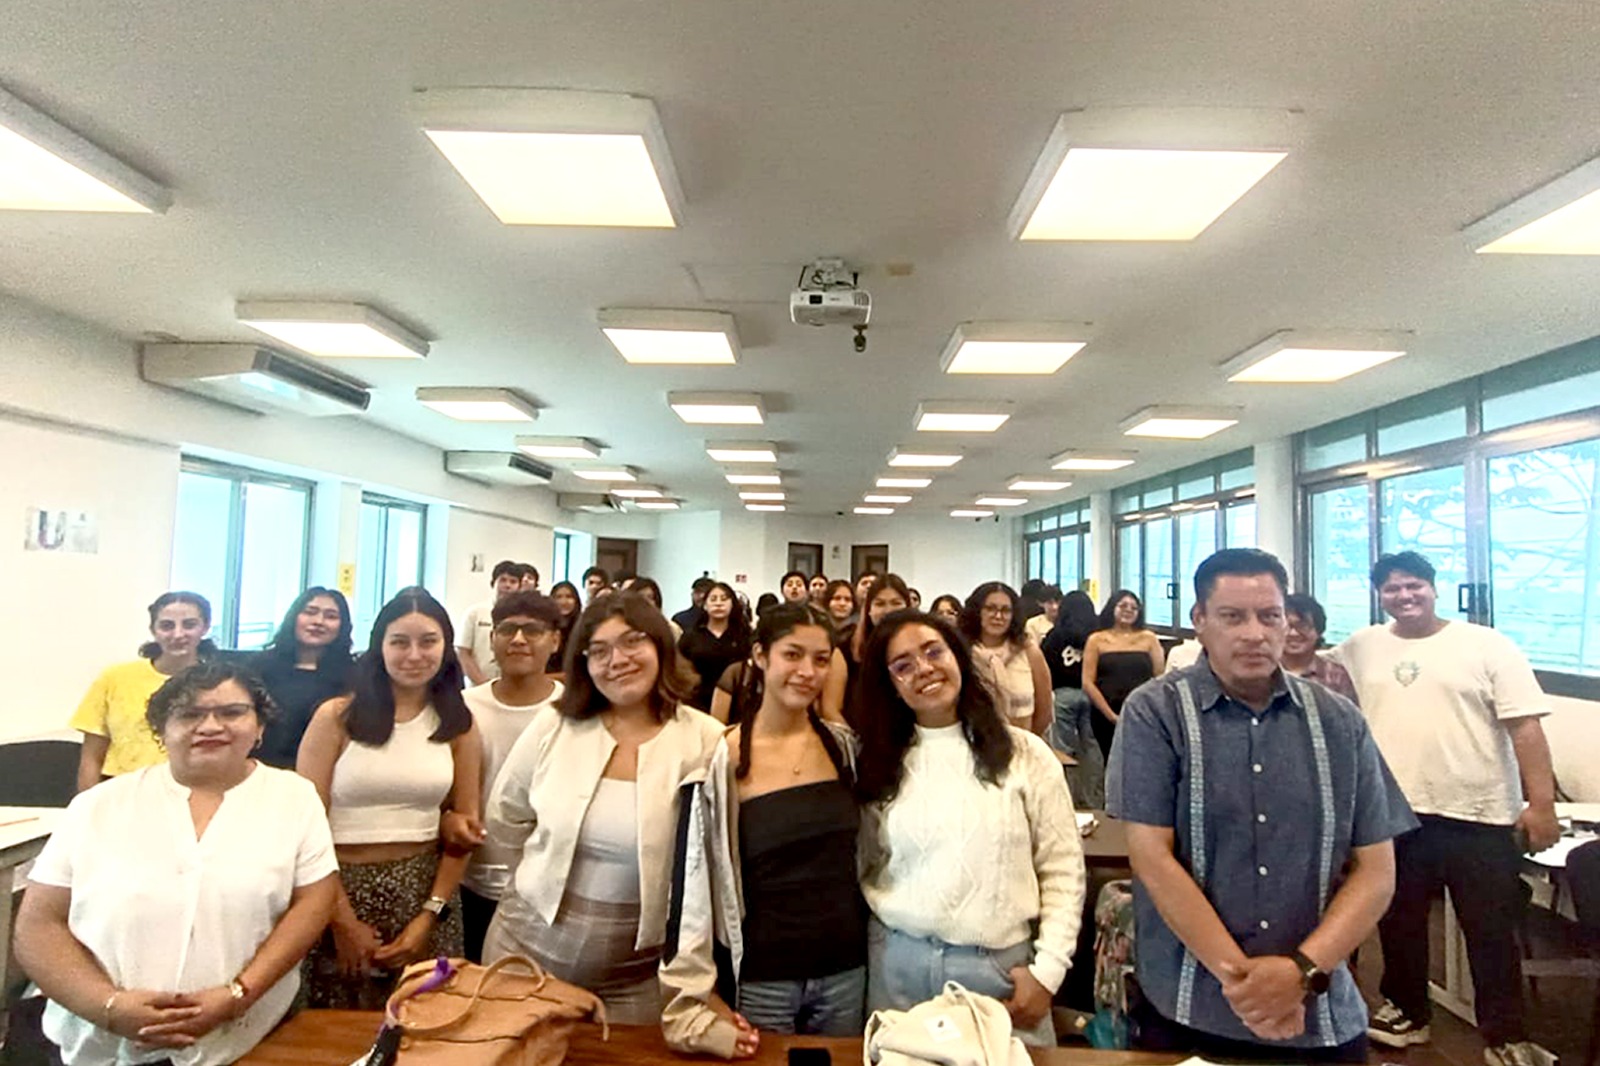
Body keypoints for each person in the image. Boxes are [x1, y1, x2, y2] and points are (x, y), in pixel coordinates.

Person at [1107, 548, 1416, 1062]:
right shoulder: (1156, 712)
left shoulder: (1338, 721)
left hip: (1318, 1011)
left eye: (1270, 616)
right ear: (1200, 620)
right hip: (1190, 1004)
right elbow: (1152, 858)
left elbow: (1377, 871)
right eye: (1233, 617)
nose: (1254, 633)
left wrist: (1300, 973)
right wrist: (1247, 986)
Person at [17, 661, 339, 1066]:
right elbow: (38, 925)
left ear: (259, 726)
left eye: (232, 712)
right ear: (161, 730)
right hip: (101, 1042)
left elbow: (313, 903)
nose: (210, 726)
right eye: (189, 714)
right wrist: (108, 1007)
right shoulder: (97, 806)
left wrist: (238, 995)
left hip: (245, 1038)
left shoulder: (294, 799)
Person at [1334, 552, 1559, 1066]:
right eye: (1392, 589)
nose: (1404, 596)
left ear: (1434, 588)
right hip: (1395, 813)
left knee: (1490, 930)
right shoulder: (1362, 645)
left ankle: (1505, 1034)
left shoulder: (1486, 645)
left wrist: (1541, 804)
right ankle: (1408, 1013)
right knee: (1398, 923)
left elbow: (1525, 726)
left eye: (1414, 585)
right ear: (1379, 595)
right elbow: (1312, 669)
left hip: (1480, 814)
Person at [483, 592, 724, 1024]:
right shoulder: (556, 722)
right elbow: (506, 816)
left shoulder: (705, 739)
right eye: (599, 651)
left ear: (660, 646)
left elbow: (711, 860)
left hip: (638, 974)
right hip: (524, 953)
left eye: (632, 642)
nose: (617, 660)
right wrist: (542, 872)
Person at [854, 612, 1085, 1047]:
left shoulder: (1025, 754)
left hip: (999, 973)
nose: (924, 669)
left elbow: (1063, 869)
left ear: (958, 657)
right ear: (890, 685)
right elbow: (866, 863)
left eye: (933, 652)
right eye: (903, 665)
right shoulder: (878, 763)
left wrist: (1048, 971)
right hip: (897, 970)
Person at [662, 603, 865, 1056]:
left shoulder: (845, 749)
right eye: (792, 655)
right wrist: (700, 989)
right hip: (763, 975)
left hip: (845, 969)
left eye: (820, 659)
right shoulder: (720, 761)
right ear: (760, 655)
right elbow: (692, 886)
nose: (807, 672)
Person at [296, 587, 480, 1009]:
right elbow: (305, 827)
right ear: (379, 646)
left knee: (425, 1022)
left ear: (446, 646)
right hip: (336, 890)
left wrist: (430, 915)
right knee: (335, 1025)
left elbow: (466, 829)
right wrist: (341, 920)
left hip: (425, 893)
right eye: (399, 642)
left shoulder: (458, 723)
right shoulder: (336, 717)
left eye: (428, 641)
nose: (414, 655)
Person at [459, 591, 565, 963]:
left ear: (555, 640)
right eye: (507, 630)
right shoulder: (465, 706)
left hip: (546, 887)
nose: (518, 639)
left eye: (532, 631)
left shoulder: (572, 711)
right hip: (471, 879)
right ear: (492, 639)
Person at [71, 591, 216, 791]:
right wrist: (87, 805)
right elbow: (91, 757)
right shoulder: (115, 678)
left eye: (189, 625)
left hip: (191, 789)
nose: (178, 634)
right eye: (167, 626)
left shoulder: (218, 682)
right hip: (119, 789)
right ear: (153, 630)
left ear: (205, 627)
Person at [252, 587, 355, 769]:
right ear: (294, 617)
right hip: (259, 766)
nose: (318, 622)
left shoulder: (354, 675)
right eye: (310, 612)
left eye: (331, 616)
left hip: (323, 768)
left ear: (343, 626)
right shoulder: (259, 666)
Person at [1040, 590, 1105, 808]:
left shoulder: (1054, 636)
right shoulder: (1097, 636)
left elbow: (1045, 666)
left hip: (1063, 696)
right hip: (1092, 696)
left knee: (1063, 750)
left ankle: (1066, 800)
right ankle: (1094, 800)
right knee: (1092, 748)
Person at [959, 582, 1052, 735]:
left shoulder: (1028, 652)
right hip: (972, 741)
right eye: (990, 608)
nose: (998, 616)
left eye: (1005, 610)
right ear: (977, 611)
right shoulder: (961, 653)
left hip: (1021, 742)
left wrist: (1025, 741)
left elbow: (1044, 712)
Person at [1082, 589, 1164, 758]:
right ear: (1112, 607)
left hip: (1142, 711)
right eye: (1123, 605)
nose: (1128, 610)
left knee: (1142, 760)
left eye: (1134, 608)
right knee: (1112, 760)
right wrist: (1111, 716)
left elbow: (1159, 678)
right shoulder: (1096, 639)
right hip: (1105, 712)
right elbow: (1088, 682)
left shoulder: (1149, 638)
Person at [678, 582, 752, 714]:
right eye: (713, 599)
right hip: (697, 703)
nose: (718, 604)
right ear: (705, 605)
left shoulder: (744, 636)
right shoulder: (691, 637)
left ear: (732, 604)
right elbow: (679, 669)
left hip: (737, 703)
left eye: (724, 599)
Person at [456, 561, 524, 686]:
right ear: (493, 583)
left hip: (513, 687)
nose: (507, 585)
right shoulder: (475, 613)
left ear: (519, 587)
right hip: (476, 687)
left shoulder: (524, 617)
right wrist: (483, 683)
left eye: (513, 581)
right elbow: (463, 652)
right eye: (503, 580)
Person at [1281, 594, 1357, 704]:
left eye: (1303, 626)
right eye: (1287, 626)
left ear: (1319, 630)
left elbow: (1350, 714)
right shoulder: (1265, 672)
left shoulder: (1335, 675)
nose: (1293, 633)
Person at [549, 580, 582, 673]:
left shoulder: (583, 627)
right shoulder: (545, 626)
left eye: (569, 597)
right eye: (558, 597)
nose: (564, 602)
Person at [823, 580, 857, 649]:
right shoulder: (819, 631)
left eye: (847, 599)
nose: (842, 604)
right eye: (837, 598)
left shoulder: (859, 634)